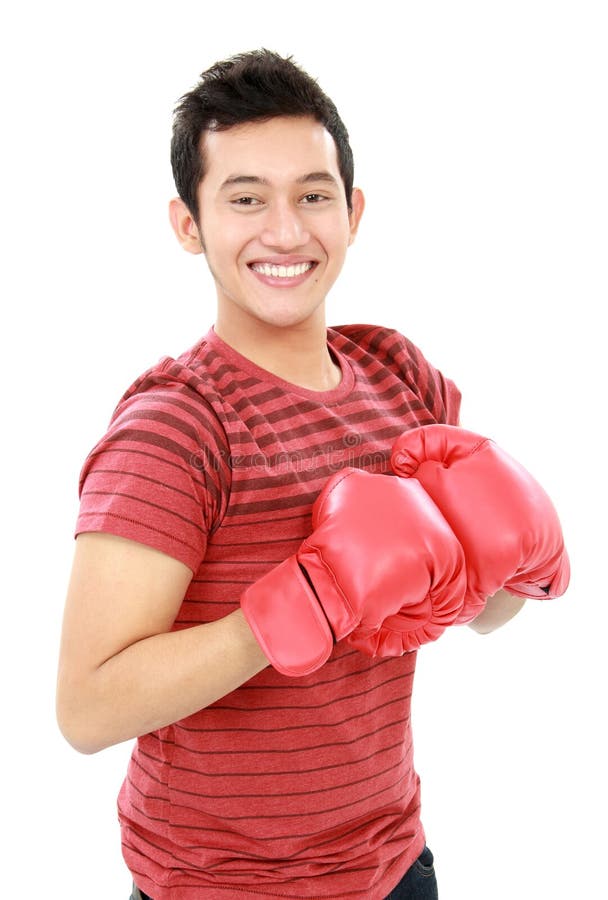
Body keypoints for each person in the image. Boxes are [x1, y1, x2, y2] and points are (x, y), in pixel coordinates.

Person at [56, 49, 569, 900]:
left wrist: (510, 554)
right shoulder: (177, 425)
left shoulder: (401, 375)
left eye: (313, 196)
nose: (286, 232)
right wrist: (292, 608)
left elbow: (484, 612)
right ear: (189, 224)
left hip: (396, 864)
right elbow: (86, 708)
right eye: (246, 198)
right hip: (218, 888)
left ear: (353, 211)